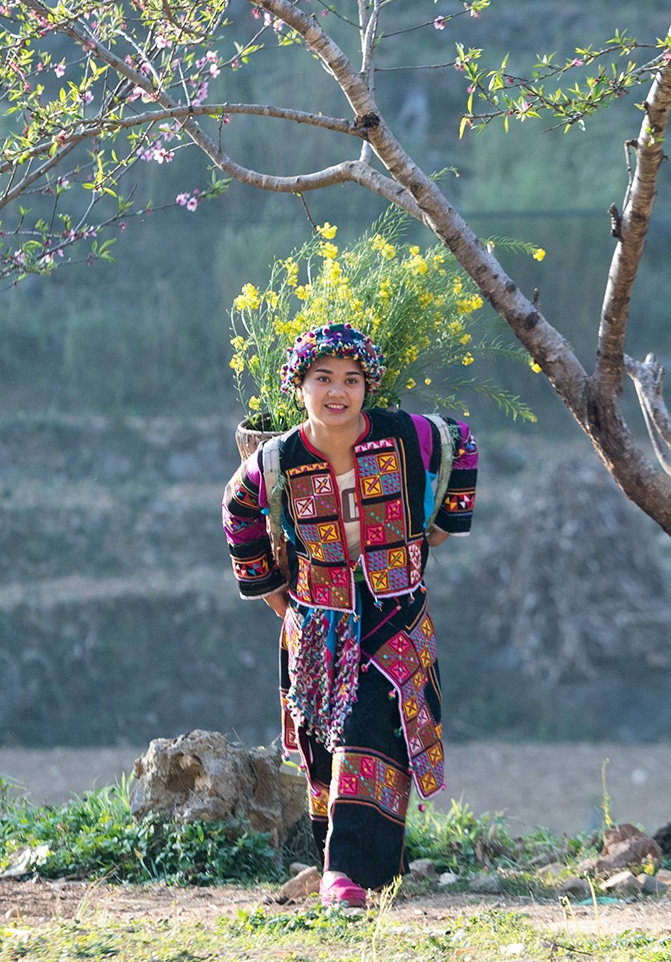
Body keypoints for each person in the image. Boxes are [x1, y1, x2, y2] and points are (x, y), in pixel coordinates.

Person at [223, 322, 477, 908]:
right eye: (323, 378)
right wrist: (272, 592)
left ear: (367, 388)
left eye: (351, 380)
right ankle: (371, 869)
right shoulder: (279, 457)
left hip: (396, 611)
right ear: (300, 387)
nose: (337, 391)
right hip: (320, 622)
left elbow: (461, 440)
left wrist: (446, 524)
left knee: (372, 724)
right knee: (328, 741)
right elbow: (236, 508)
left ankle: (343, 873)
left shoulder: (403, 434)